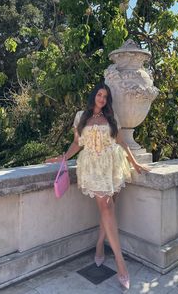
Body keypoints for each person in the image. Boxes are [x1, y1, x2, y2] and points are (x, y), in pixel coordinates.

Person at [46, 82, 151, 290]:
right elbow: (77, 143)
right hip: (93, 167)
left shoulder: (112, 118)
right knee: (107, 207)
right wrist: (63, 157)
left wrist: (135, 163)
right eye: (100, 95)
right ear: (94, 94)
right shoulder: (80, 116)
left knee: (108, 208)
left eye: (105, 97)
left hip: (112, 165)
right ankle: (121, 265)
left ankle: (99, 247)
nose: (102, 99)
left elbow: (121, 142)